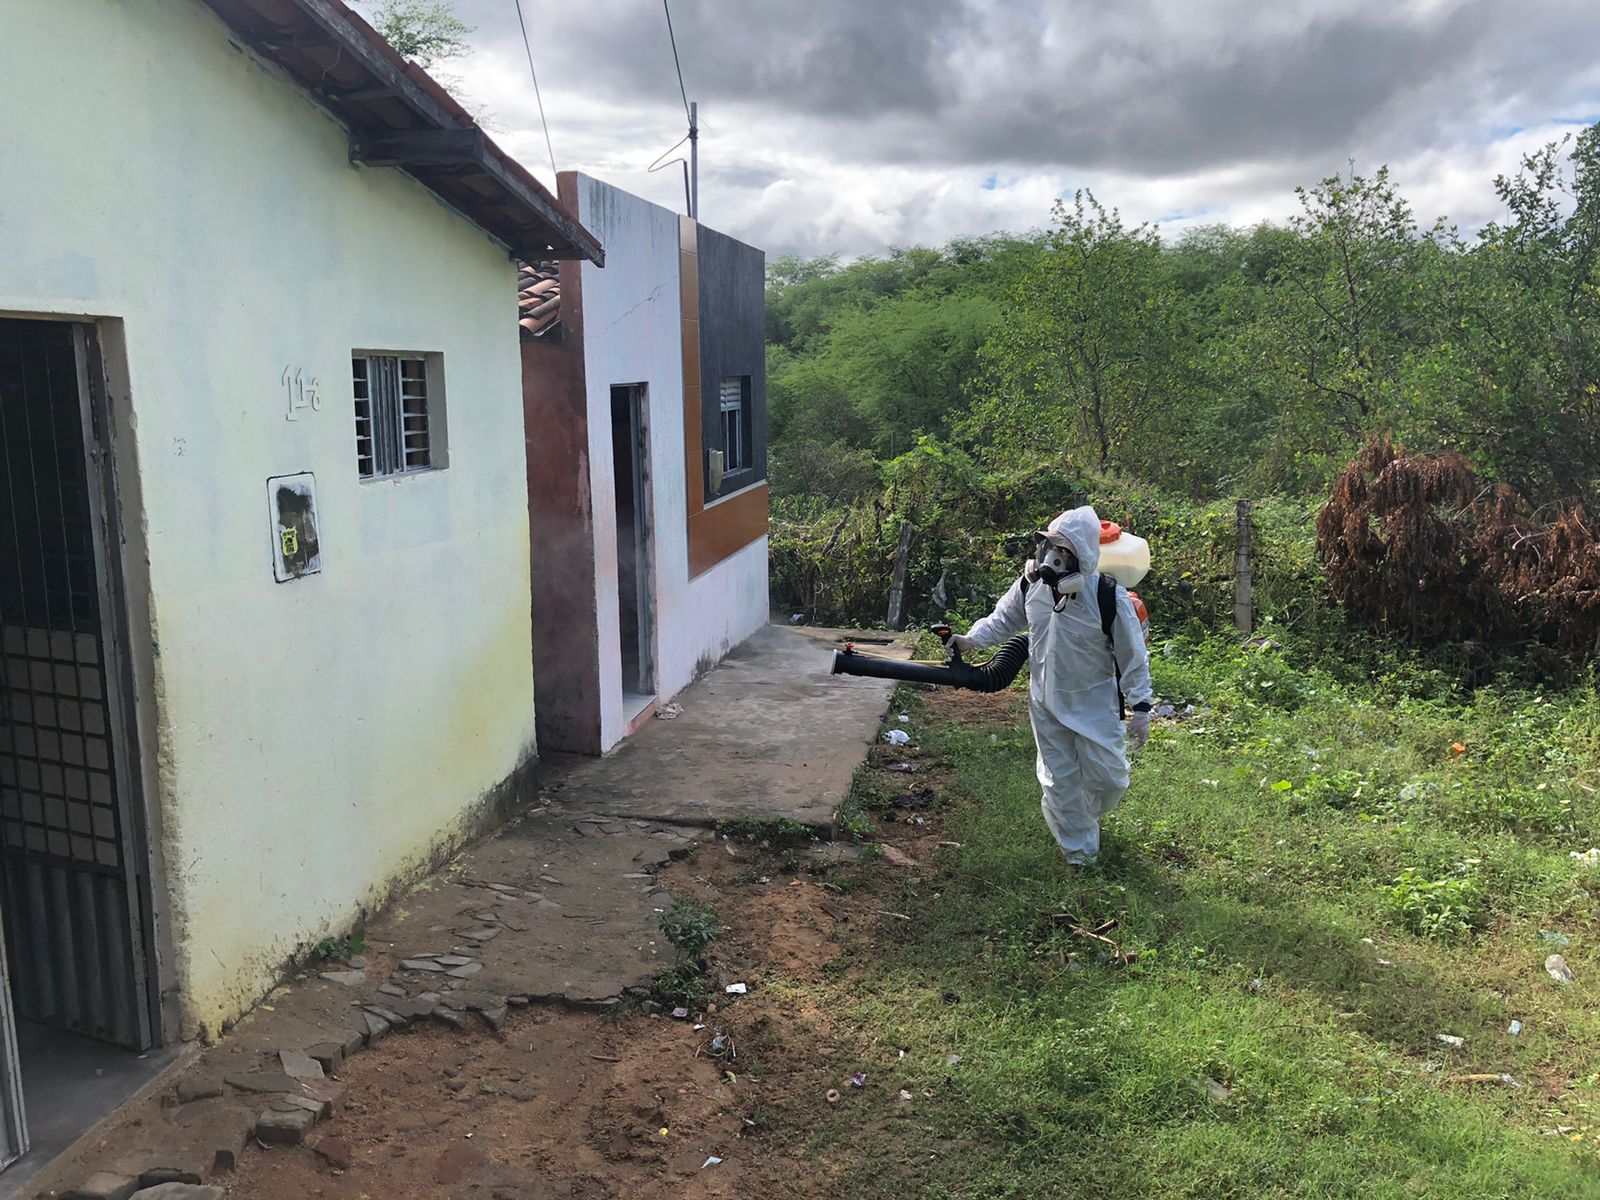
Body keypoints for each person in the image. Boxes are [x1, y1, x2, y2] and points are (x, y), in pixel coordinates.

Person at [950, 505, 1152, 865]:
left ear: (1084, 555)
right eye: (1051, 546)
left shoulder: (1108, 597)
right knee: (1060, 782)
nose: (1054, 557)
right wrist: (971, 640)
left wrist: (1141, 707)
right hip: (1046, 700)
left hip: (1095, 703)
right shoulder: (1032, 585)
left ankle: (1083, 817)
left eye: (1064, 550)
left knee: (1109, 781)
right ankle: (1079, 856)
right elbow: (1003, 619)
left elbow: (1132, 655)